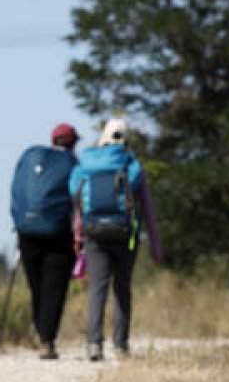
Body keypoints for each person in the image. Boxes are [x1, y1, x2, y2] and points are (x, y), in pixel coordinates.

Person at [69, 118, 162, 361]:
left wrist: (78, 236)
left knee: (97, 289)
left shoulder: (86, 164)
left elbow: (76, 201)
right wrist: (156, 247)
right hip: (126, 235)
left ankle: (93, 344)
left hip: (93, 234)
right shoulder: (132, 165)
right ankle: (120, 345)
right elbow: (148, 211)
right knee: (122, 288)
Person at [10, 124, 79, 360]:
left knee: (37, 287)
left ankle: (40, 332)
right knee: (54, 289)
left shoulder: (31, 159)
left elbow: (16, 193)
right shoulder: (73, 164)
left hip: (27, 232)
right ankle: (47, 340)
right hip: (59, 234)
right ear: (72, 143)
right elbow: (79, 200)